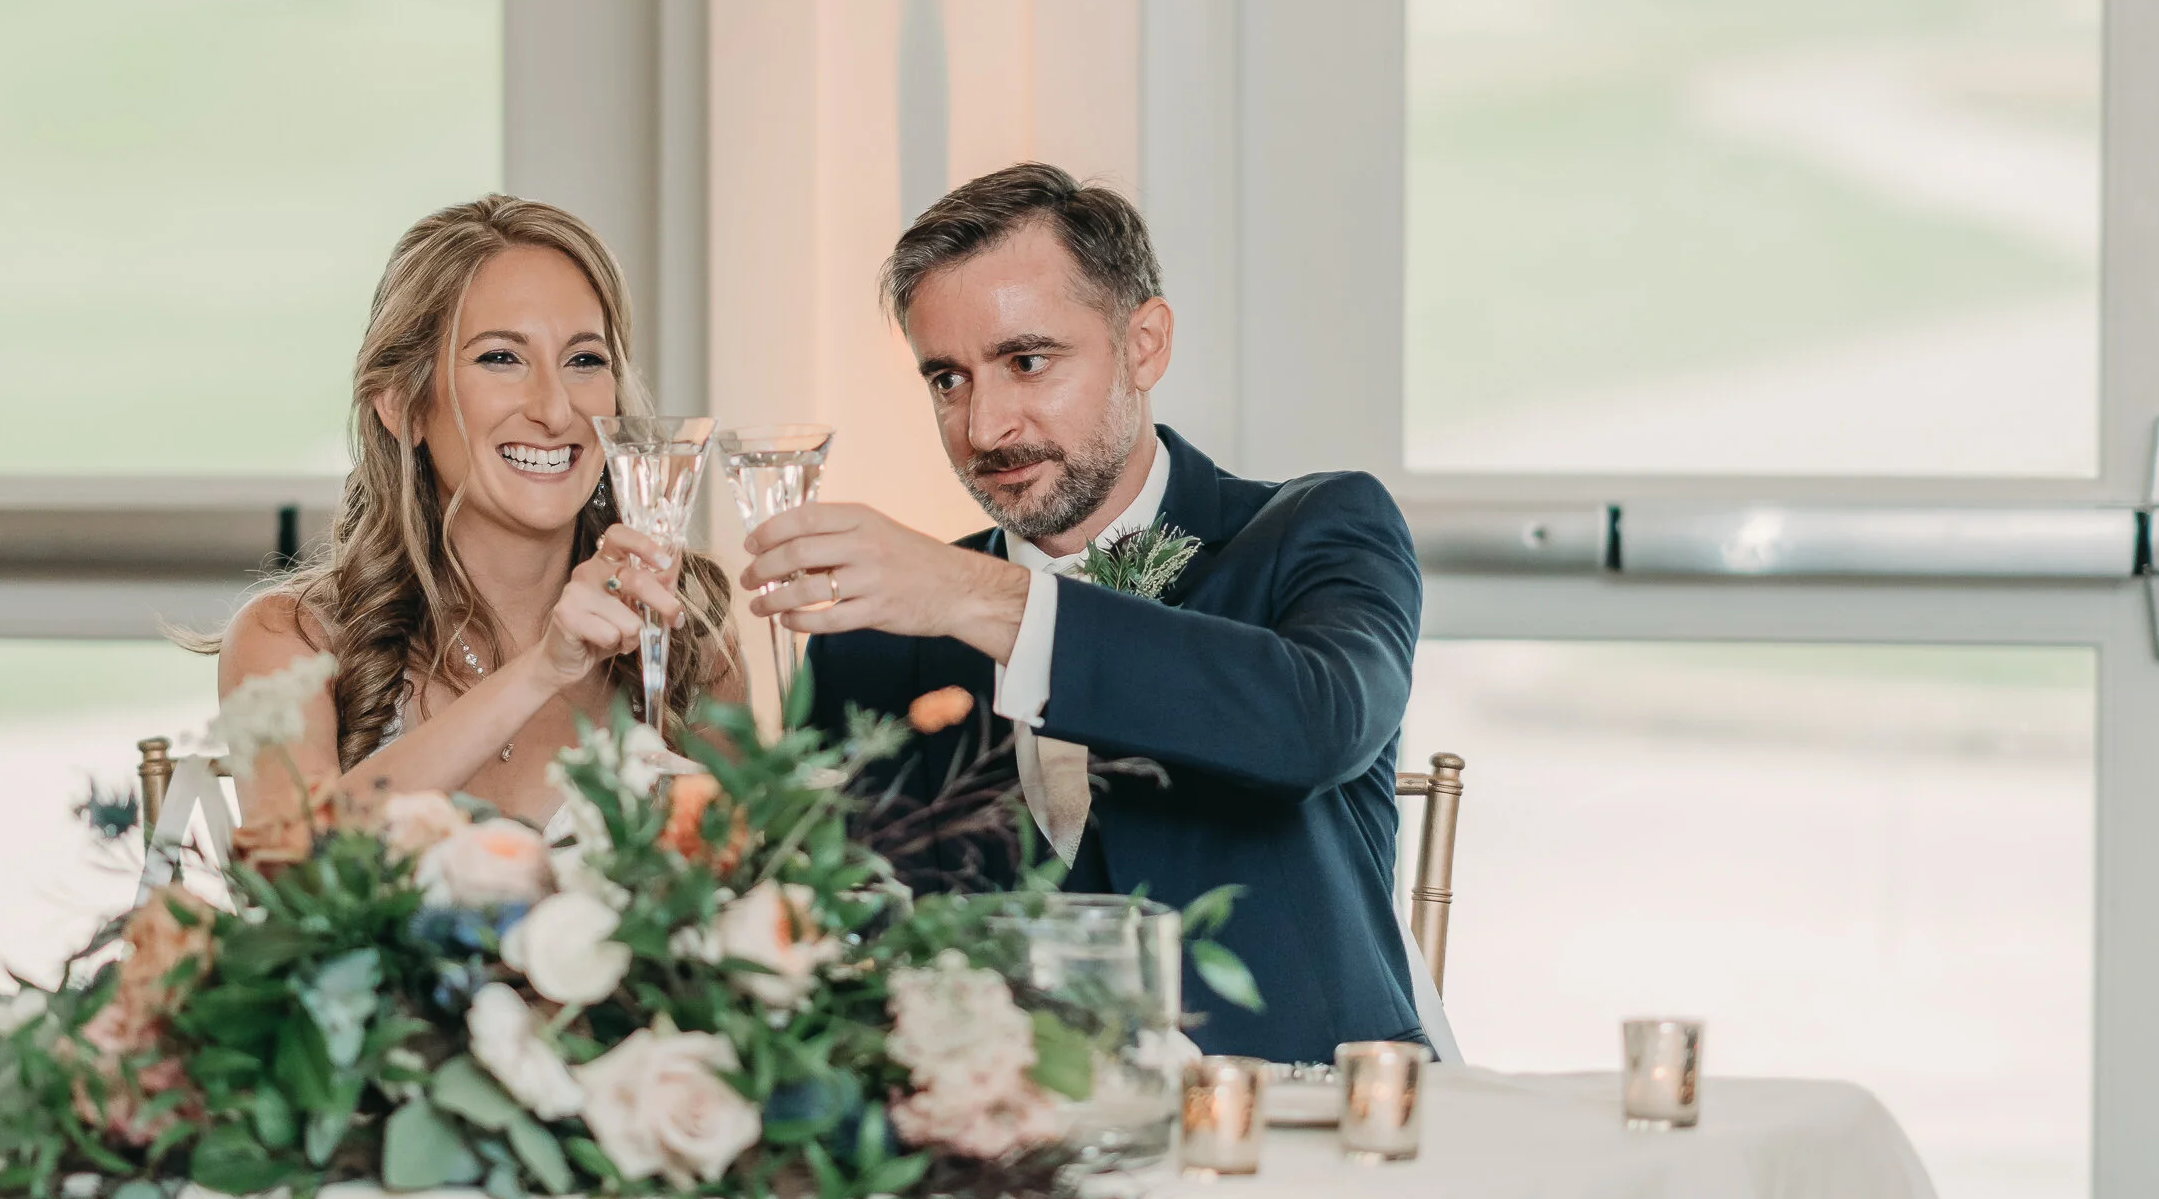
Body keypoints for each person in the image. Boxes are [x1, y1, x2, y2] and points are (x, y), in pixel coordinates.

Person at [742, 164, 1424, 1062]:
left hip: (1311, 1116)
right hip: (1007, 1137)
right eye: (947, 380)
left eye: (1027, 362)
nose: (984, 427)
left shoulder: (1320, 528)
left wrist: (977, 597)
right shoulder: (870, 640)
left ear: (1144, 345)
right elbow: (834, 934)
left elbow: (1314, 724)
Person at [209, 195, 743, 829]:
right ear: (402, 404)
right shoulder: (287, 643)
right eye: (501, 358)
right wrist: (541, 671)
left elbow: (752, 872)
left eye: (584, 360)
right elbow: (294, 862)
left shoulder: (689, 633)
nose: (555, 410)